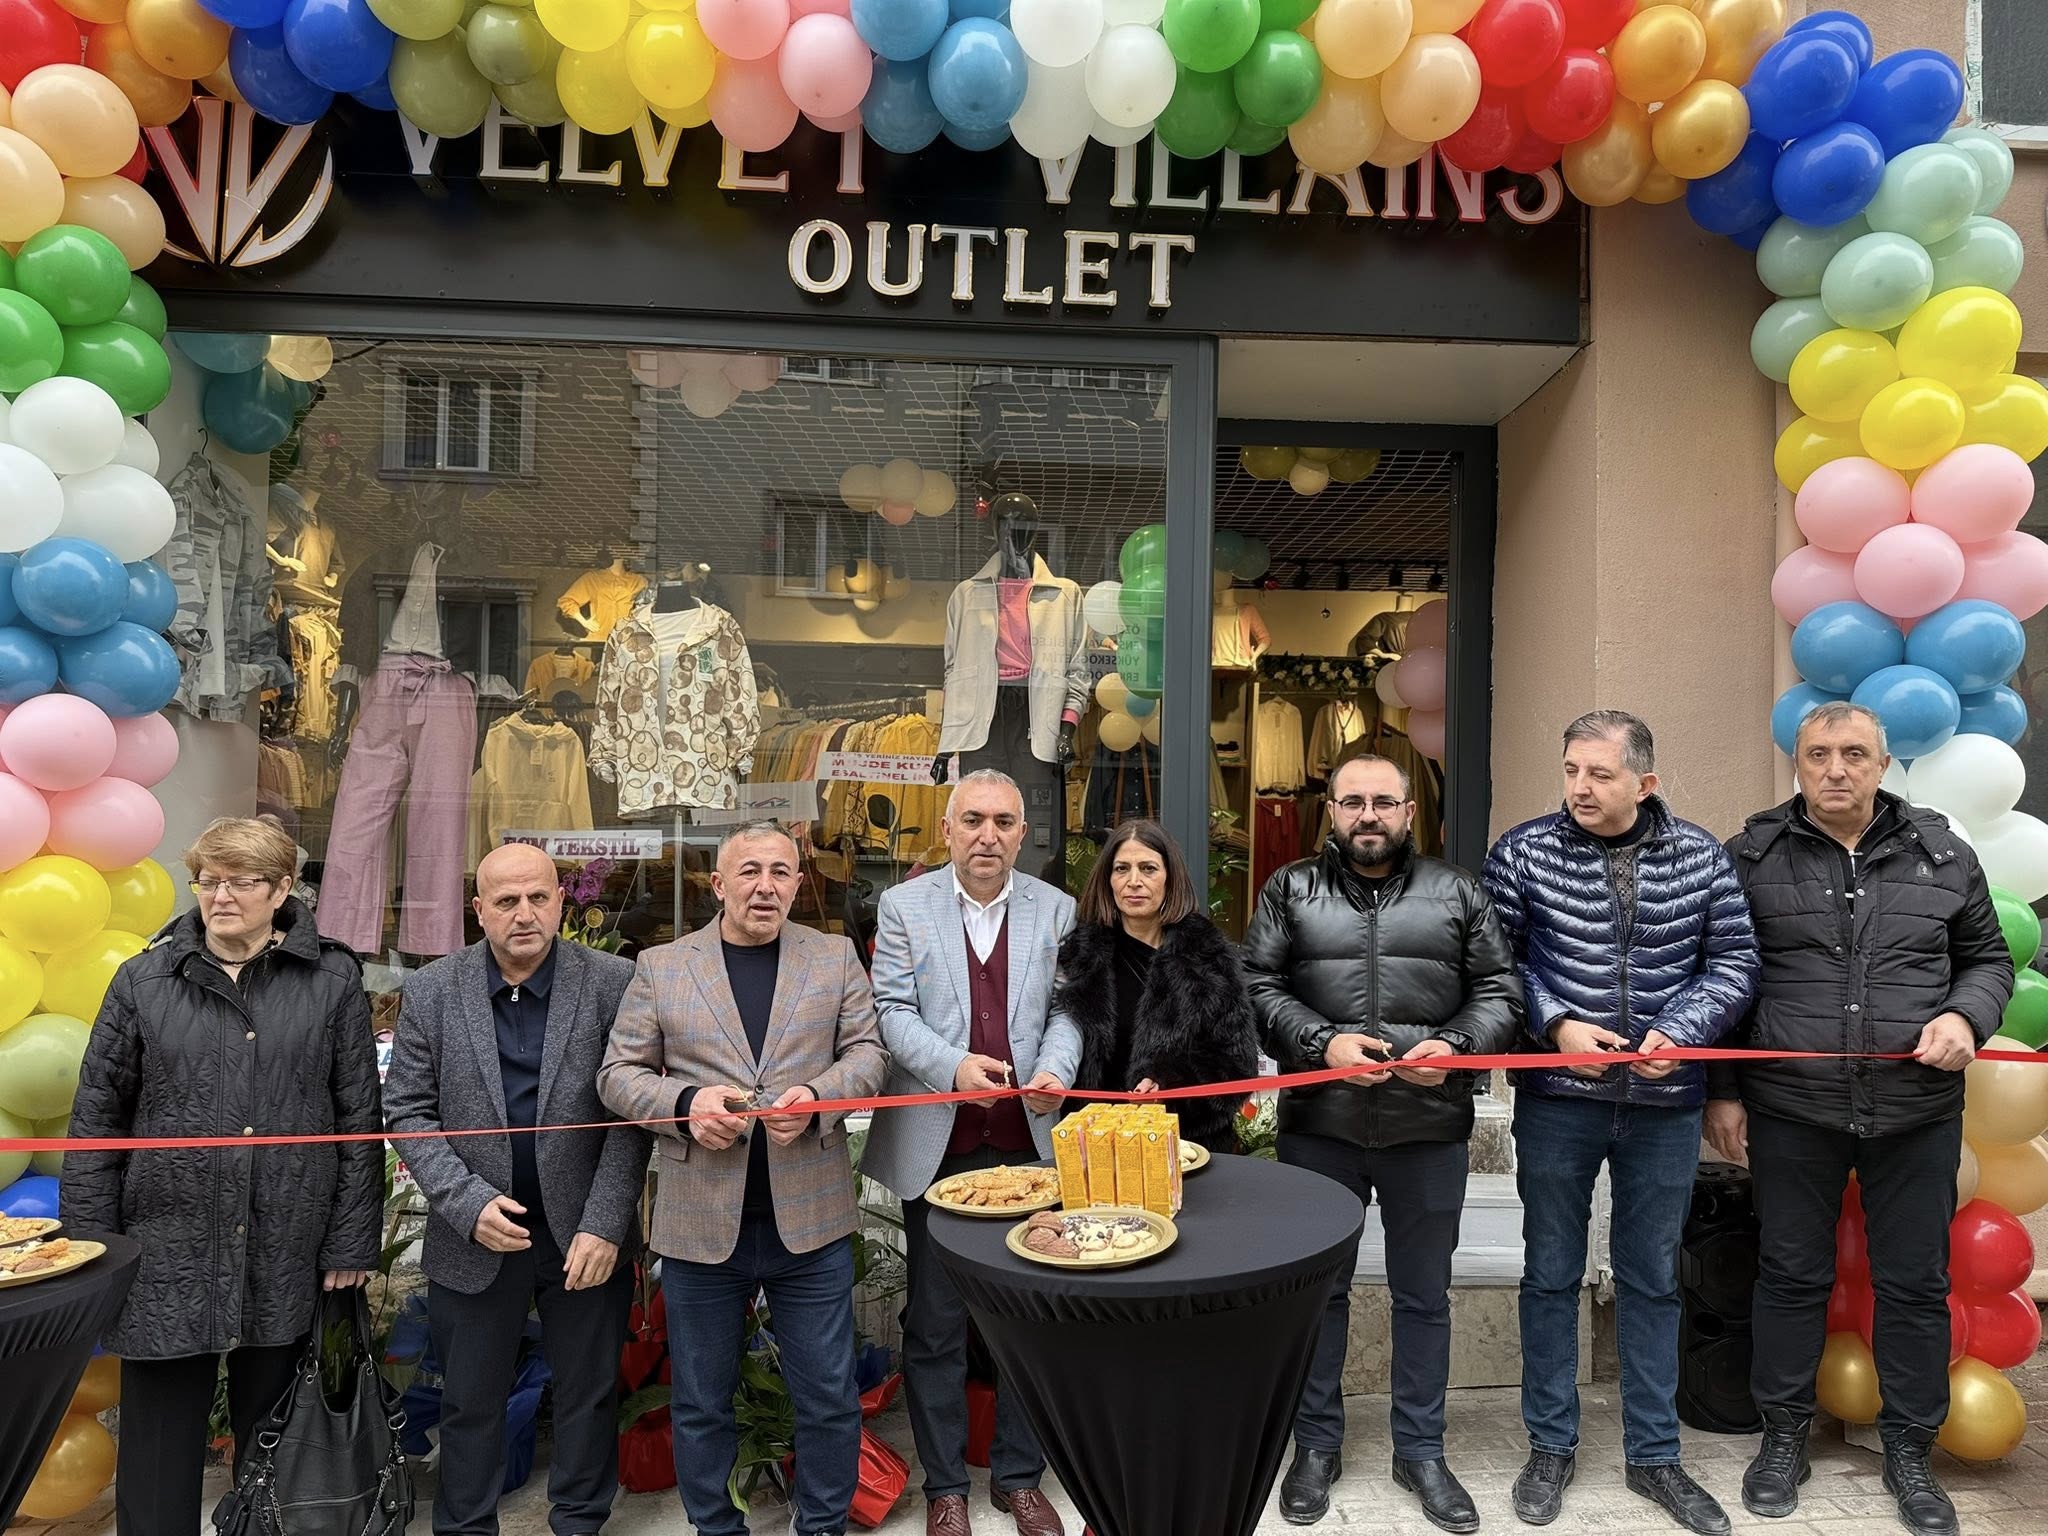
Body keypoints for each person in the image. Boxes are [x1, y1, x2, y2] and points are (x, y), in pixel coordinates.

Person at [1708, 703, 2011, 1536]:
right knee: (1790, 1275)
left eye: (1852, 754)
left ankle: (1910, 1449)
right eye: (1818, 754)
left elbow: (1987, 960)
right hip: (1792, 1108)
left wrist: (1967, 1016)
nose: (1834, 769)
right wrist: (1722, 1090)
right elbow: (1724, 974)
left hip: (1917, 1112)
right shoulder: (1749, 857)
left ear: (1882, 765)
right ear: (1797, 764)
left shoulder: (1943, 854)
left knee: (1914, 1283)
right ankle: (1783, 1437)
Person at [62, 816, 384, 1536]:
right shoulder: (144, 981)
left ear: (281, 890)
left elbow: (360, 1120)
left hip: (286, 1241)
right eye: (208, 880)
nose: (220, 896)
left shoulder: (331, 981)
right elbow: (97, 1121)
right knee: (157, 1450)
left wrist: (350, 1242)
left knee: (277, 1446)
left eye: (241, 881)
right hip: (165, 1249)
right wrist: (94, 1246)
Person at [1482, 712, 1758, 1536]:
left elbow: (1734, 961)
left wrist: (1684, 1031)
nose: (1580, 787)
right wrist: (1557, 1024)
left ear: (1645, 782)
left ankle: (1655, 1457)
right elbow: (1496, 961)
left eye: (1600, 774)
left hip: (1666, 1105)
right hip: (1558, 1100)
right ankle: (1550, 1447)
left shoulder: (1701, 855)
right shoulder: (1522, 852)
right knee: (1550, 1274)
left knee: (1652, 1278)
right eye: (1571, 769)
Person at [1243, 754, 1523, 1533]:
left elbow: (1501, 990)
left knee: (1424, 1297)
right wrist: (1321, 1042)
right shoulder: (1290, 888)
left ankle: (1421, 1451)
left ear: (1409, 812)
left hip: (1426, 1130)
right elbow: (1256, 985)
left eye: (1383, 802)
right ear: (1331, 811)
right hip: (1320, 1130)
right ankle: (1316, 1446)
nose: (1368, 815)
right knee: (1317, 1296)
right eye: (1353, 801)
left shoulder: (1458, 891)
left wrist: (1458, 1047)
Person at [598, 821, 889, 1536]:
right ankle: (716, 1528)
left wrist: (818, 1098)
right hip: (701, 1226)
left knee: (827, 1396)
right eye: (750, 872)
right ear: (718, 884)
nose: (765, 886)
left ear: (798, 883)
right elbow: (617, 1075)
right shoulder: (662, 967)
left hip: (810, 1224)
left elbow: (869, 1055)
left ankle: (821, 1526)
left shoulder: (833, 957)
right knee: (701, 1401)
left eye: (781, 872)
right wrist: (685, 1105)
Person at [383, 842, 650, 1536]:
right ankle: (465, 1526)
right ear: (479, 911)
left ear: (561, 902)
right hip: (475, 1234)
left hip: (583, 1234)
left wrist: (605, 1223)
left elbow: (633, 1114)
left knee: (589, 1396)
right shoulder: (434, 990)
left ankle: (580, 1522)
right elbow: (407, 1110)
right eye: (506, 901)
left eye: (537, 897)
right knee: (469, 1401)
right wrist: (466, 1203)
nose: (524, 914)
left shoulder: (615, 982)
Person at [859, 768, 1080, 1536]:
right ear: (947, 830)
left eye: (1004, 822)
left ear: (1024, 834)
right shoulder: (903, 906)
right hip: (941, 1149)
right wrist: (952, 1068)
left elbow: (1069, 1011)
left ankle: (1018, 1478)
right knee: (936, 1324)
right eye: (974, 820)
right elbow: (891, 1010)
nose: (989, 836)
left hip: (1030, 1148)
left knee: (1028, 1319)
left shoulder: (1057, 909)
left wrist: (1057, 1071)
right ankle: (946, 1486)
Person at [1051, 818, 1259, 1156]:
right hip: (1095, 1149)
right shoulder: (1079, 955)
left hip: (1184, 1149)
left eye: (1148, 868)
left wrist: (1168, 1083)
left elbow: (1237, 1066)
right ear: (1108, 879)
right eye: (1122, 869)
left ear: (1170, 878)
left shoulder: (1208, 956)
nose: (1134, 881)